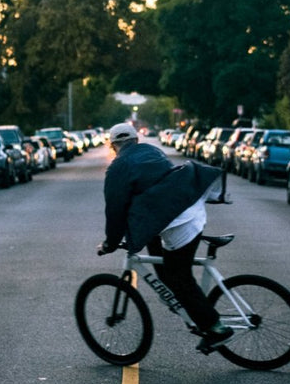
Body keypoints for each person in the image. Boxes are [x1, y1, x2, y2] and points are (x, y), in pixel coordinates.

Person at [98, 122, 234, 352]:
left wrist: (110, 244)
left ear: (113, 146)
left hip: (180, 222)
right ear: (136, 140)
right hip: (191, 207)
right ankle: (181, 300)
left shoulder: (118, 168)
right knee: (163, 258)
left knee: (178, 277)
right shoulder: (152, 151)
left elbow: (115, 210)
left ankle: (215, 328)